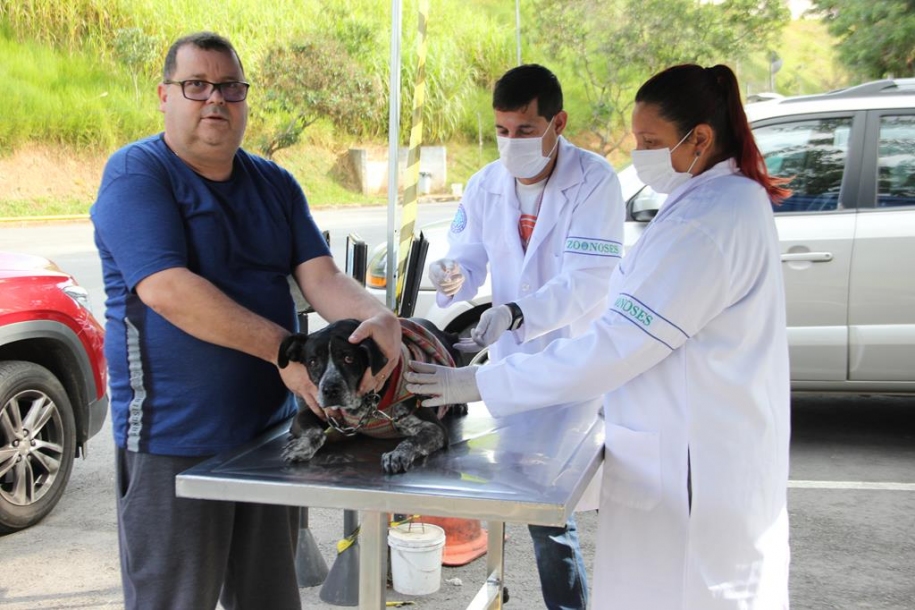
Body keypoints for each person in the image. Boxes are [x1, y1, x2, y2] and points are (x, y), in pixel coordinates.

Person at [407, 63, 792, 610]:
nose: (639, 152)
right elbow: (472, 257)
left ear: (700, 138)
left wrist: (481, 378)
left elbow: (610, 333)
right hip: (664, 435)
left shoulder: (702, 222)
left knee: (665, 582)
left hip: (690, 466)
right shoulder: (713, 203)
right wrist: (461, 281)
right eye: (501, 130)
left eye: (650, 141)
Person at [91, 32, 401, 610]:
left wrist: (381, 319)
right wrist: (287, 351)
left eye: (230, 87)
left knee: (270, 599)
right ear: (165, 95)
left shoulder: (275, 184)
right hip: (173, 440)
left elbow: (323, 279)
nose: (215, 100)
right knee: (175, 600)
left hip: (273, 438)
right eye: (197, 85)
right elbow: (168, 290)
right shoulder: (138, 174)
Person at [428, 64, 625, 610]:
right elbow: (467, 260)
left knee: (546, 512)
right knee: (520, 500)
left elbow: (586, 285)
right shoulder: (484, 185)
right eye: (502, 131)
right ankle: (506, 590)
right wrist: (451, 275)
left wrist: (515, 313)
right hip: (514, 365)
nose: (511, 143)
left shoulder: (594, 182)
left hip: (576, 364)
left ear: (557, 122)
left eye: (524, 129)